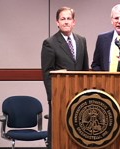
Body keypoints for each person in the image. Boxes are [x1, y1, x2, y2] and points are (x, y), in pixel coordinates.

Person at [41, 6, 89, 149]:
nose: (66, 22)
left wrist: (86, 91)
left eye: (69, 19)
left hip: (79, 93)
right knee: (58, 128)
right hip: (59, 94)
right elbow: (47, 72)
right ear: (57, 22)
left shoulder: (82, 40)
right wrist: (52, 96)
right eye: (63, 19)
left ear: (74, 22)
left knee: (78, 127)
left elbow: (85, 68)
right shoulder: (50, 43)